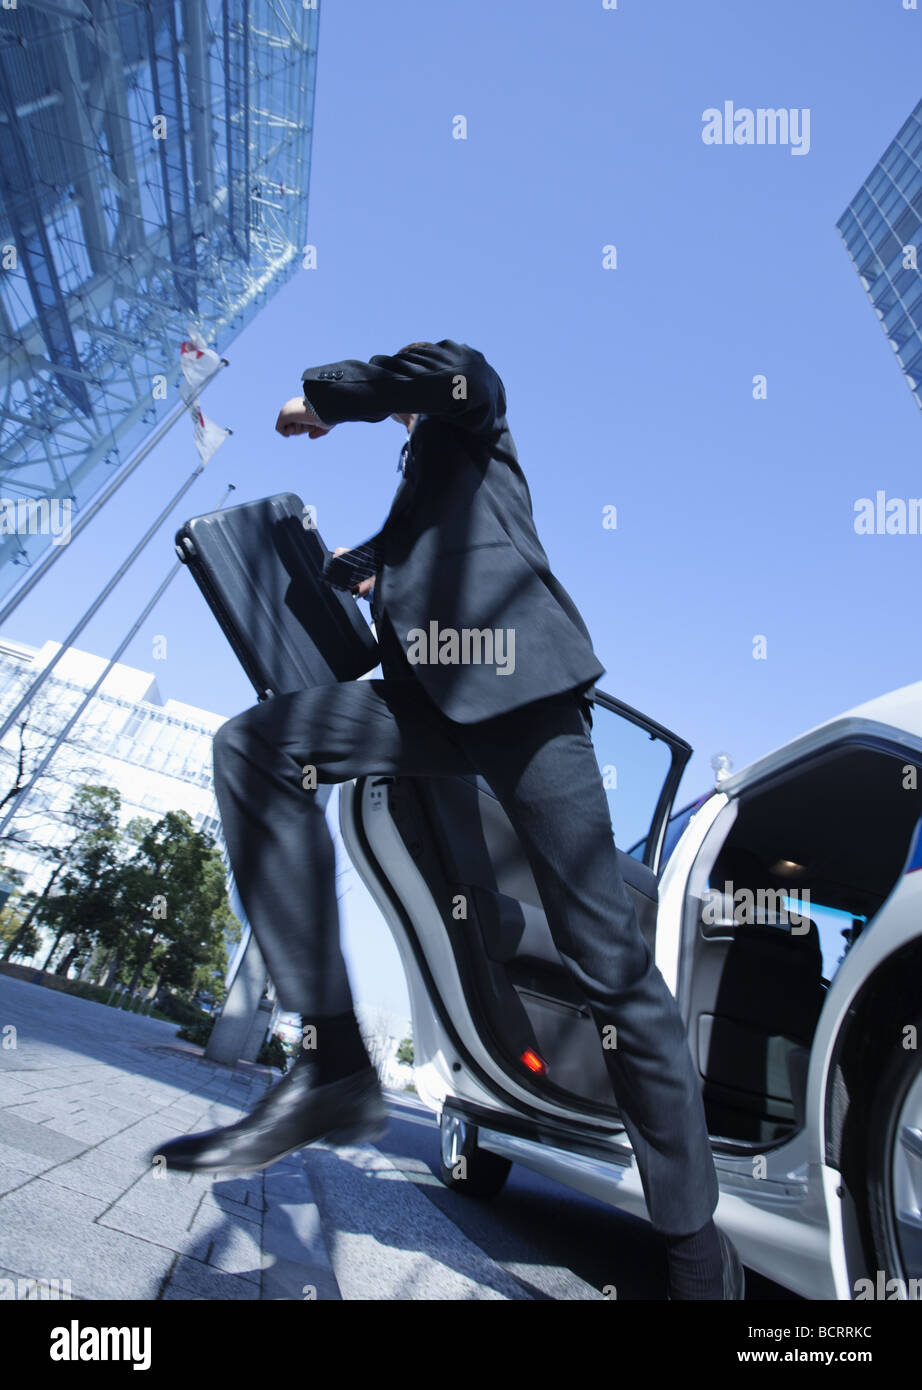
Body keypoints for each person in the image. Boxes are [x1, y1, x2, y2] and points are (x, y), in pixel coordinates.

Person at [153, 339, 743, 1299]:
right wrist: (345, 564)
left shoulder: (475, 413)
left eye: (402, 412)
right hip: (422, 708)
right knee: (254, 746)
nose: (400, 424)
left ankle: (694, 1253)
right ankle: (334, 1064)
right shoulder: (414, 498)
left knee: (614, 971)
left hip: (528, 704)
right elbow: (399, 556)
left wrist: (325, 397)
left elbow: (441, 369)